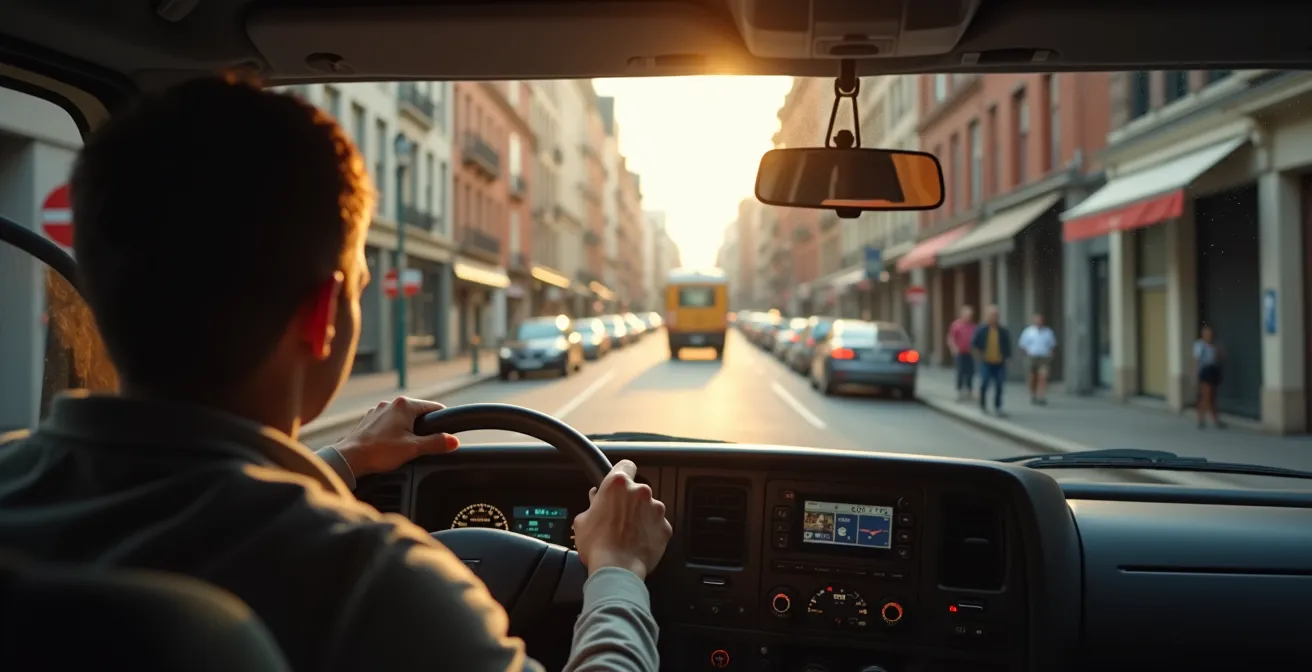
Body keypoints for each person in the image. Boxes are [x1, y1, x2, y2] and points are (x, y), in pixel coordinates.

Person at [0, 76, 671, 672]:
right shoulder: (378, 590)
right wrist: (617, 570)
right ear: (323, 312)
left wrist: (340, 463)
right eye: (358, 289)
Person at [971, 305, 1011, 416]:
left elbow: (1007, 345)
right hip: (986, 362)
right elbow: (974, 344)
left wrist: (1007, 357)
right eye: (992, 315)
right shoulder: (982, 330)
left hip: (999, 362)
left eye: (996, 315)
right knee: (984, 383)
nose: (994, 317)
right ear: (987, 317)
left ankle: (998, 407)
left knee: (999, 385)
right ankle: (982, 405)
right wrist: (979, 356)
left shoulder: (1002, 331)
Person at [1017, 313, 1057, 405]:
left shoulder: (1048, 332)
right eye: (1037, 320)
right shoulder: (1028, 331)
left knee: (1043, 376)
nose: (1039, 322)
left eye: (1041, 320)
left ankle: (1041, 395)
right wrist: (1027, 352)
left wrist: (1050, 352)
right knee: (1032, 376)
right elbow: (1022, 344)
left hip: (1043, 356)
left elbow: (1052, 344)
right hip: (1032, 356)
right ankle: (1033, 394)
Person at [1193, 324, 1227, 429]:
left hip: (1214, 370)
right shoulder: (1199, 345)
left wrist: (1219, 353)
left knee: (1212, 396)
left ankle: (1213, 418)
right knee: (1206, 396)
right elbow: (1195, 360)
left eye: (1210, 334)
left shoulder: (1215, 345)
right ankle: (1202, 418)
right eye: (1206, 333)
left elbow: (1222, 357)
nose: (1208, 335)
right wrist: (1194, 374)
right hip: (1205, 371)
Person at [947, 305, 976, 401]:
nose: (969, 317)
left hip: (970, 353)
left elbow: (975, 339)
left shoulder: (972, 326)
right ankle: (959, 391)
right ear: (962, 315)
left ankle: (969, 391)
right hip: (960, 352)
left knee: (970, 372)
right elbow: (951, 338)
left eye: (970, 315)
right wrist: (954, 349)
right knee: (960, 372)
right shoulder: (956, 325)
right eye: (967, 315)